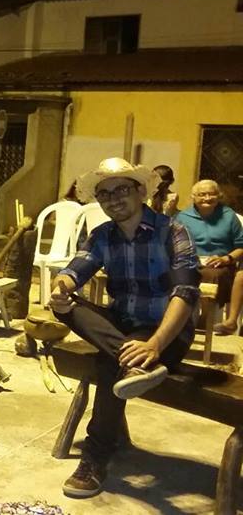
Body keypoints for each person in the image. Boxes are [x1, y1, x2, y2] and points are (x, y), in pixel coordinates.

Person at [49, 157, 200, 499]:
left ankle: (94, 459)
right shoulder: (103, 235)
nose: (113, 199)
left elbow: (186, 293)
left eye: (121, 189)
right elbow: (75, 270)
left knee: (108, 365)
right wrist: (61, 288)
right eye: (104, 193)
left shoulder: (173, 231)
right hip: (124, 326)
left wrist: (155, 345)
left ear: (141, 191)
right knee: (66, 308)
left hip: (167, 332)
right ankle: (135, 362)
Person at [175, 179, 243, 334]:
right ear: (193, 197)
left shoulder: (228, 216)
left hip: (222, 264)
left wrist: (226, 259)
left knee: (212, 274)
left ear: (219, 196)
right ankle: (181, 318)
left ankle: (205, 318)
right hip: (191, 261)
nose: (207, 198)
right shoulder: (183, 217)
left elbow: (241, 246)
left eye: (211, 194)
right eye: (202, 194)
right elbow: (174, 243)